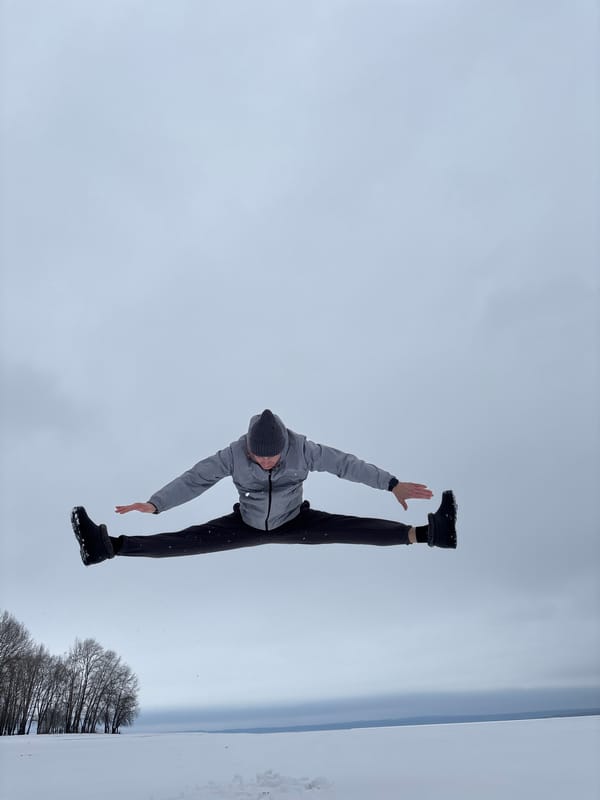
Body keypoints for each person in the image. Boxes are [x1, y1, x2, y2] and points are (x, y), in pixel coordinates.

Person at [71, 409, 457, 566]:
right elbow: (196, 479)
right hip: (246, 523)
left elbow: (345, 465)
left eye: (272, 458)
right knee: (187, 541)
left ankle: (431, 533)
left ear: (284, 449)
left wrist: (391, 484)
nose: (266, 462)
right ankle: (107, 547)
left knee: (350, 527)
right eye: (259, 458)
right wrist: (155, 504)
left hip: (295, 520)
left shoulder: (304, 450)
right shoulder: (234, 454)